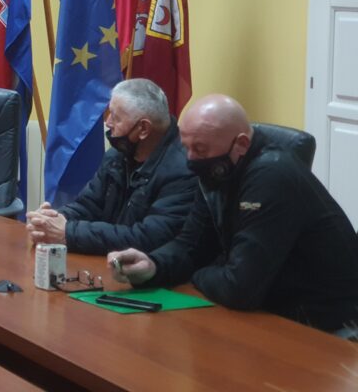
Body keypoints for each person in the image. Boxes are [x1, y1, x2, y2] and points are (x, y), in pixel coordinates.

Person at [108, 94, 358, 335]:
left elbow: (240, 288)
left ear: (241, 144)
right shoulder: (219, 170)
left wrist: (199, 272)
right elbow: (191, 244)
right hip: (273, 310)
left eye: (200, 149)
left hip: (327, 325)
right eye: (187, 148)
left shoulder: (271, 175)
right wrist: (153, 265)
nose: (191, 160)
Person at [26, 78, 195, 254]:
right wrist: (53, 219)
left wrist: (68, 233)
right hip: (109, 260)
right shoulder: (117, 155)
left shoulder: (183, 170)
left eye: (116, 117)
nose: (108, 123)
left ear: (143, 129)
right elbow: (89, 205)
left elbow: (147, 238)